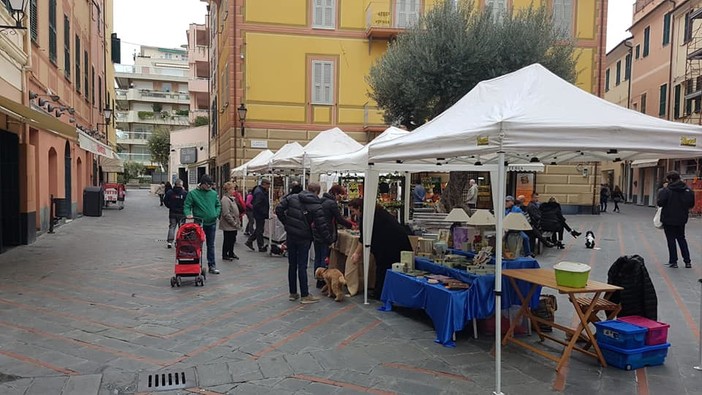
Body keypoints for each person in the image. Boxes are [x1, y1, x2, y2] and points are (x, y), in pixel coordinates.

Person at [349, 198, 412, 300]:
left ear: (359, 208)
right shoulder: (377, 212)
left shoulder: (368, 216)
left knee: (383, 266)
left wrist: (357, 253)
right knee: (387, 267)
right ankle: (385, 291)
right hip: (395, 241)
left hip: (391, 244)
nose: (354, 214)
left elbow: (364, 237)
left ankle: (380, 292)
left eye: (353, 211)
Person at [275, 183, 324, 304]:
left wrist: (287, 223)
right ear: (317, 192)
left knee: (292, 264)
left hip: (291, 235)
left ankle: (293, 293)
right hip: (304, 237)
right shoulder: (316, 204)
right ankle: (305, 294)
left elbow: (279, 209)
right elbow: (320, 224)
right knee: (302, 265)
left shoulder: (292, 197)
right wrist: (328, 238)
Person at [315, 184, 354, 288]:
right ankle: (323, 280)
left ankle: (318, 279)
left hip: (317, 232)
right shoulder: (332, 203)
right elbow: (339, 218)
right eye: (340, 195)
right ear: (336, 193)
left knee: (318, 257)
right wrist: (351, 225)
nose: (340, 198)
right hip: (326, 232)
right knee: (323, 257)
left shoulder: (321, 200)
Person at [184, 174, 222, 274]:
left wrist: (216, 214)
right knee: (197, 244)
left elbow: (218, 205)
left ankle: (212, 265)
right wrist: (188, 214)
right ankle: (195, 264)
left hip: (212, 222)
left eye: (210, 185)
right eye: (207, 185)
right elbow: (187, 205)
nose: (209, 187)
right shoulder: (193, 194)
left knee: (211, 245)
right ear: (202, 184)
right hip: (199, 223)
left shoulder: (213, 193)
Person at [657, 171, 695, 268]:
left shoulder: (666, 190)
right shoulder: (687, 190)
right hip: (681, 219)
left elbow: (660, 203)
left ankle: (673, 261)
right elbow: (691, 204)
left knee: (671, 240)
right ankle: (687, 261)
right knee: (682, 238)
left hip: (668, 219)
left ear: (670, 180)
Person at [245, 179, 271, 252]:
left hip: (259, 213)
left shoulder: (260, 191)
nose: (269, 187)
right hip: (259, 214)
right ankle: (260, 246)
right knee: (260, 230)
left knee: (259, 229)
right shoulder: (259, 192)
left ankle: (249, 241)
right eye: (268, 185)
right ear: (264, 184)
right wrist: (263, 212)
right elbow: (257, 204)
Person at [219, 181, 241, 261]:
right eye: (232, 189)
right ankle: (225, 254)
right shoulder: (225, 199)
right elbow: (226, 213)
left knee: (232, 238)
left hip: (233, 224)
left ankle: (231, 252)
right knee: (227, 239)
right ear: (228, 190)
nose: (234, 191)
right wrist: (233, 222)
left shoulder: (231, 198)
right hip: (228, 224)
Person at [164, 179, 187, 248]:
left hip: (172, 212)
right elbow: (187, 203)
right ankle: (179, 241)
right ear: (181, 185)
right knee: (181, 228)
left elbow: (165, 201)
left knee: (172, 227)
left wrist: (170, 206)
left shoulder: (169, 192)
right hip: (182, 213)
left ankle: (169, 242)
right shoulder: (185, 193)